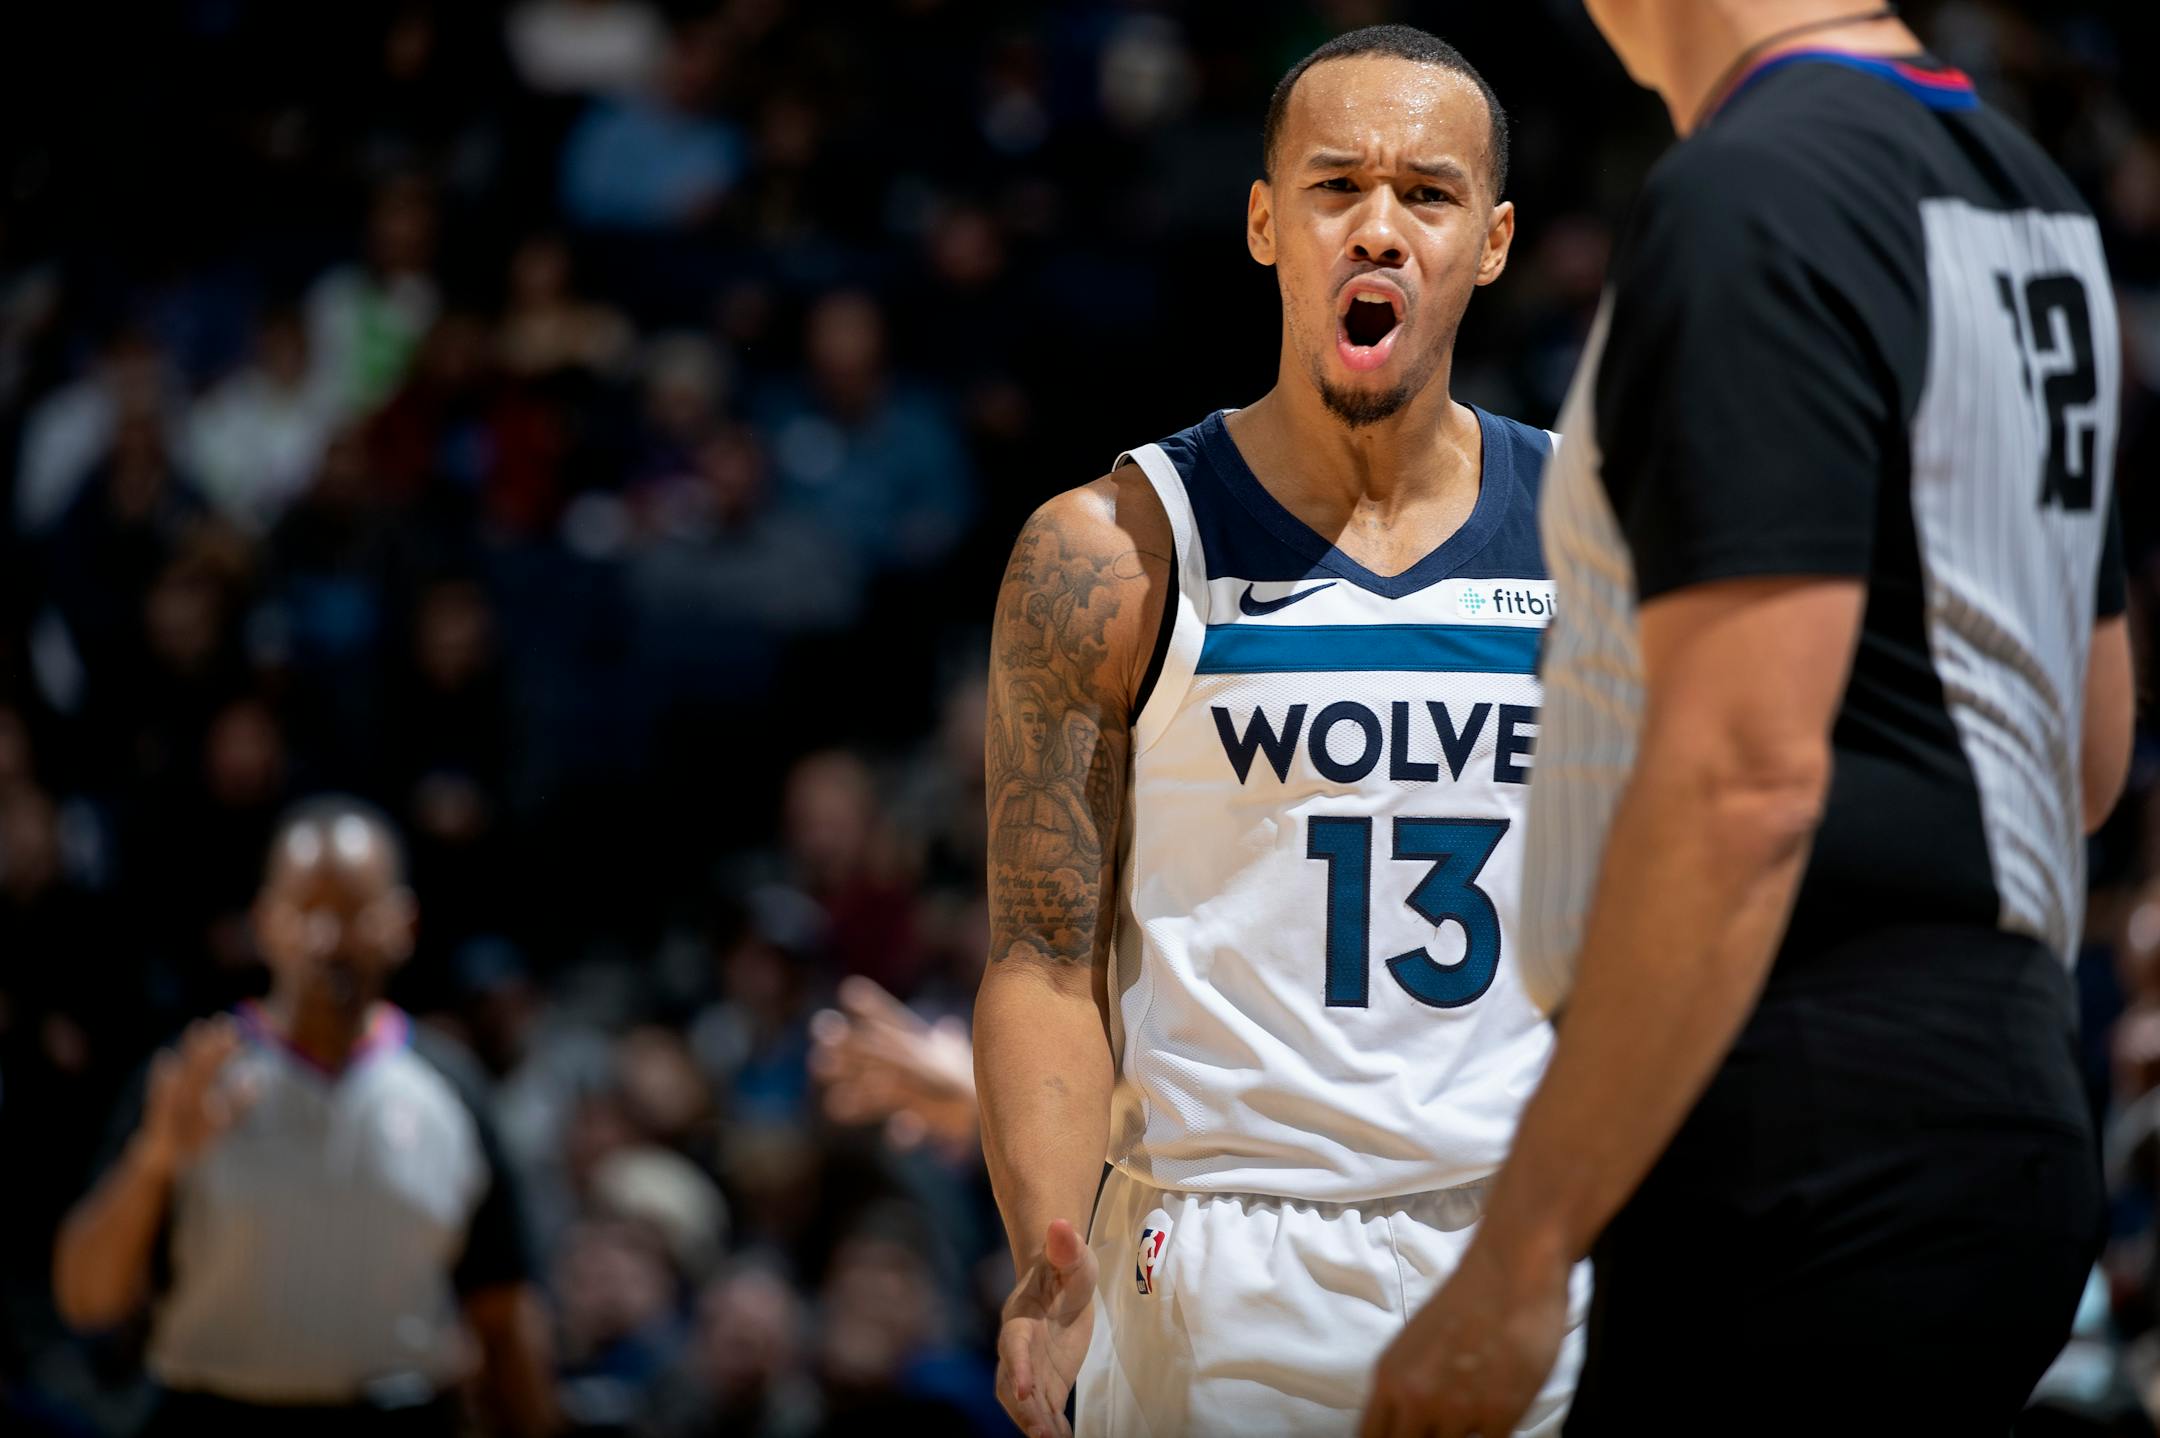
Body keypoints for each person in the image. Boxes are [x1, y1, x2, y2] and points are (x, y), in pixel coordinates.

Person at [1363, 4, 2133, 1435]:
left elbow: (1744, 784)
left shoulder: (1750, 188)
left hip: (1803, 1136)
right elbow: (2087, 750)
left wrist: (1522, 1250)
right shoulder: (2027, 189)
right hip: (2005, 1114)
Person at [973, 25, 1582, 1438]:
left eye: (1427, 195)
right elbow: (1042, 956)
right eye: (1335, 186)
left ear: (1490, 245)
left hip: (1528, 1246)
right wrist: (1049, 1250)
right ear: (1265, 221)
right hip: (1222, 1255)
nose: (1380, 226)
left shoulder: (1600, 538)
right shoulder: (1112, 551)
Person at [53, 797, 560, 1437]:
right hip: (216, 1416)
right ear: (266, 923)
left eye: (350, 912)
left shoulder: (451, 1090)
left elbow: (503, 1315)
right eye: (306, 912)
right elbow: (85, 1297)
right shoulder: (195, 1079)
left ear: (401, 924)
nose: (327, 939)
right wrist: (153, 1162)